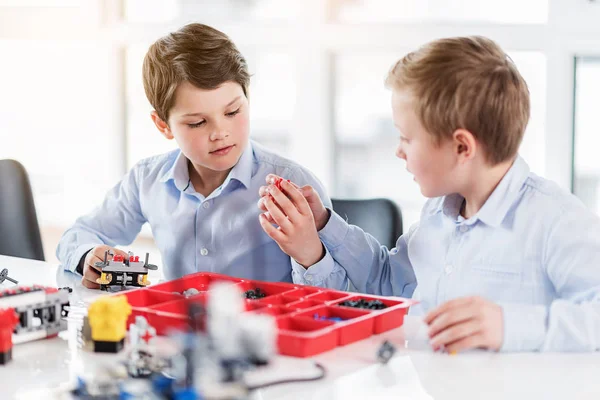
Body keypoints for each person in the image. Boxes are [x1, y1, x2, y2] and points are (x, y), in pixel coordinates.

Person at [258, 36, 600, 352]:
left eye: (406, 137)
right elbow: (387, 283)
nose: (399, 151)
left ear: (461, 146)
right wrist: (322, 230)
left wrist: (508, 326)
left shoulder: (554, 219)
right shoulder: (439, 213)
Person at [56, 23, 330, 289]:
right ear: (163, 125)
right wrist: (88, 256)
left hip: (268, 332)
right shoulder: (147, 180)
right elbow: (76, 237)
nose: (220, 132)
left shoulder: (293, 183)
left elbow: (346, 292)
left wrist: (311, 256)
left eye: (233, 112)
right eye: (198, 123)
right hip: (178, 332)